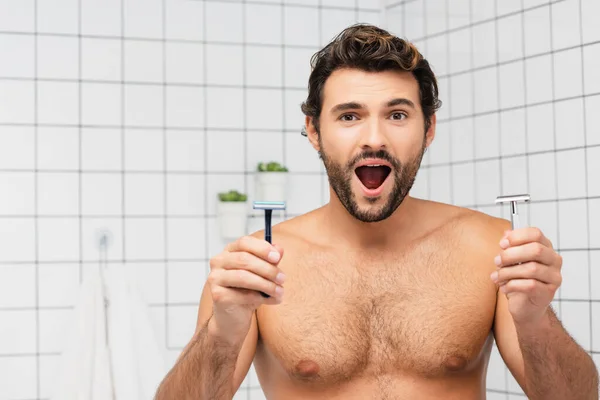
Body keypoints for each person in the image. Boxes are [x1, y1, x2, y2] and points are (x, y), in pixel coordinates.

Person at [154, 24, 599, 399]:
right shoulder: (257, 266)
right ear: (313, 130)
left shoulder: (490, 248)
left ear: (429, 130)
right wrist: (223, 332)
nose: (374, 139)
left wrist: (536, 321)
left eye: (398, 115)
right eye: (349, 116)